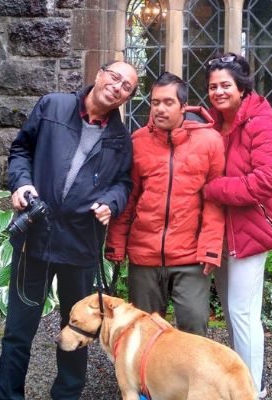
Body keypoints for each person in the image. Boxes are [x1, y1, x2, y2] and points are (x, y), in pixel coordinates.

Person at [0, 61, 138, 400]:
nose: (117, 87)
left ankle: (67, 395)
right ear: (99, 74)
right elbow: (21, 150)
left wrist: (111, 203)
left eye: (127, 87)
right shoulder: (52, 106)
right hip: (36, 238)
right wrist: (21, 183)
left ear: (126, 98)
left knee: (77, 328)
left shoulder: (120, 138)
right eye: (115, 77)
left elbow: (123, 183)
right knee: (18, 330)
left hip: (80, 243)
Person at [105, 72, 225, 336]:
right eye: (155, 102)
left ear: (183, 106)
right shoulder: (138, 141)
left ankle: (188, 367)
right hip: (144, 255)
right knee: (143, 331)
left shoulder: (210, 141)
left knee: (193, 329)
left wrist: (210, 248)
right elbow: (129, 196)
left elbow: (214, 201)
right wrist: (116, 243)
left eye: (168, 102)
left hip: (190, 257)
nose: (160, 108)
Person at [202, 53, 272, 398]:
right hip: (222, 231)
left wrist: (213, 189)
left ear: (241, 88)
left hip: (251, 231)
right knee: (231, 310)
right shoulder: (213, 122)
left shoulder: (259, 122)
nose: (218, 92)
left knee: (242, 312)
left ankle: (252, 389)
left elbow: (268, 180)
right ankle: (239, 380)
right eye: (213, 86)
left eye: (225, 85)